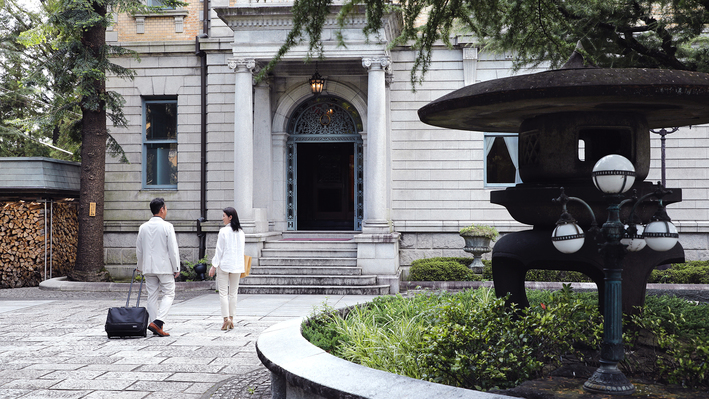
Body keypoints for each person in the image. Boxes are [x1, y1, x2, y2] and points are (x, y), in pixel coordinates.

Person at [136, 198, 181, 337]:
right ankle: (158, 322)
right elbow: (173, 249)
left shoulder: (143, 227)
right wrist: (176, 267)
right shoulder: (167, 226)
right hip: (164, 267)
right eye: (165, 208)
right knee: (169, 293)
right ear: (162, 209)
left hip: (148, 267)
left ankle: (154, 325)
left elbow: (139, 249)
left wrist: (140, 265)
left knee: (152, 295)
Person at [209, 207, 245, 330]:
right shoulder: (241, 232)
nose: (222, 218)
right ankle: (232, 318)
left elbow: (219, 251)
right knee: (233, 293)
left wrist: (214, 266)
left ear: (230, 217)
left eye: (224, 215)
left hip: (224, 265)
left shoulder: (223, 231)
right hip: (237, 266)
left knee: (223, 293)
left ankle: (226, 319)